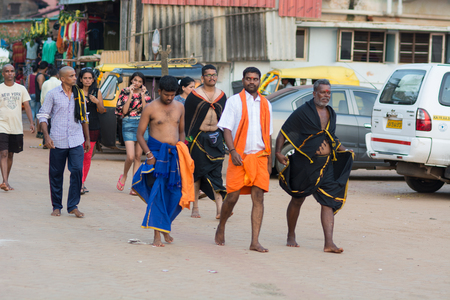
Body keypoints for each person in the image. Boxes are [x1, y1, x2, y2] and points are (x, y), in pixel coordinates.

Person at [275, 79, 354, 253]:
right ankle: (290, 234)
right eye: (322, 92)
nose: (326, 95)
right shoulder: (303, 112)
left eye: (328, 92)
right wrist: (278, 152)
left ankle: (329, 243)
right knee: (298, 199)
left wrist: (344, 150)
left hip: (325, 164)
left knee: (328, 201)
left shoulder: (331, 113)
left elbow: (331, 137)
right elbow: (284, 131)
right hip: (305, 164)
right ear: (314, 93)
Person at [132, 75, 194, 247]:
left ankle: (166, 227)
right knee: (158, 194)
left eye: (172, 94)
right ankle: (157, 236)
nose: (169, 97)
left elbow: (181, 131)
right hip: (157, 155)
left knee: (176, 195)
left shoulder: (180, 107)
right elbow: (140, 134)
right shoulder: (150, 108)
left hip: (175, 155)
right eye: (166, 94)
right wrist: (149, 154)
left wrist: (182, 149)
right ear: (159, 91)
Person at [215, 67, 272, 253]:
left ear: (259, 81)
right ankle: (221, 226)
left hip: (260, 157)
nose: (252, 82)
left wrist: (269, 160)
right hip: (239, 157)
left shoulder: (266, 104)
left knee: (259, 198)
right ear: (243, 80)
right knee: (232, 197)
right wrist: (232, 151)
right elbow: (226, 129)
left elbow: (268, 133)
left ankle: (255, 241)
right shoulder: (234, 102)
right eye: (248, 79)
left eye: (255, 79)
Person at [37, 66, 90, 218]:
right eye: (72, 76)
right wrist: (46, 137)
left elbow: (84, 117)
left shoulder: (79, 94)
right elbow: (43, 115)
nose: (75, 78)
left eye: (75, 75)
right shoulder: (53, 94)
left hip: (76, 139)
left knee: (77, 170)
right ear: (62, 79)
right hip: (57, 141)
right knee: (56, 174)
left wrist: (87, 139)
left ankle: (73, 205)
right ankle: (56, 206)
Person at [185, 65, 227, 219]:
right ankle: (195, 208)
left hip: (216, 138)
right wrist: (187, 138)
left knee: (216, 174)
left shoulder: (222, 95)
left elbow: (225, 118)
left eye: (214, 75)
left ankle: (220, 209)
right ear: (202, 78)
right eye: (208, 75)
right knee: (197, 174)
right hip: (198, 138)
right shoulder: (194, 95)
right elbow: (188, 118)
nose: (212, 77)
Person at [0, 64, 35, 191]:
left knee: (10, 154)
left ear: (14, 73)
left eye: (12, 71)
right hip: (2, 125)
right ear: (3, 74)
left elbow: (27, 106)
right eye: (7, 71)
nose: (9, 73)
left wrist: (32, 122)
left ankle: (6, 180)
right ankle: (4, 181)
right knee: (3, 153)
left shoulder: (21, 89)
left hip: (16, 127)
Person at [115, 72, 151, 195]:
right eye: (135, 80)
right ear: (131, 80)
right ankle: (124, 176)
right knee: (130, 156)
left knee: (137, 157)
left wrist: (141, 95)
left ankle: (134, 186)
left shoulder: (145, 93)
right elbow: (124, 111)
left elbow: (146, 110)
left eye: (140, 81)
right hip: (128, 123)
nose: (137, 83)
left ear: (142, 84)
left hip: (142, 124)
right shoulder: (124, 91)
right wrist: (130, 94)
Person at [77, 68, 105, 195]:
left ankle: (82, 182)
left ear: (93, 79)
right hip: (77, 126)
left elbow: (102, 110)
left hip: (93, 126)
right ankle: (78, 182)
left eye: (90, 78)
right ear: (81, 79)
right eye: (85, 78)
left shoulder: (97, 91)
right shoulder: (76, 91)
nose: (87, 80)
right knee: (78, 155)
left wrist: (97, 102)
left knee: (87, 156)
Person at [40, 68, 61, 148]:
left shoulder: (45, 83)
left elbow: (42, 95)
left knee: (46, 124)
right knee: (54, 125)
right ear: (57, 75)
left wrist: (42, 106)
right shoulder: (59, 82)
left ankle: (45, 142)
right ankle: (53, 142)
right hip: (56, 107)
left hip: (46, 106)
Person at [35, 61, 49, 139]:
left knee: (39, 114)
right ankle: (39, 131)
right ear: (46, 68)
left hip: (39, 97)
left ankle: (39, 131)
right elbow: (41, 87)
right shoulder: (41, 76)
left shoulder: (39, 74)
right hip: (40, 97)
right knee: (40, 115)